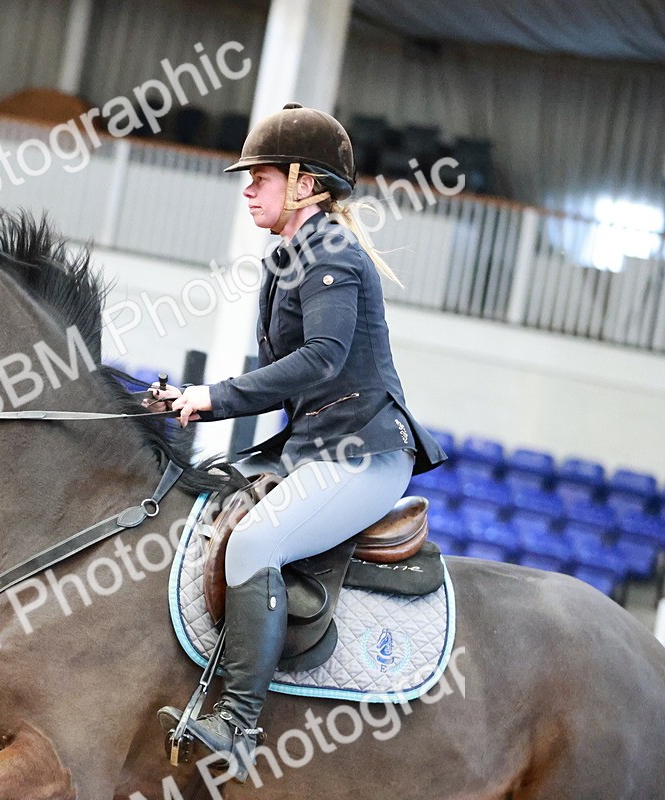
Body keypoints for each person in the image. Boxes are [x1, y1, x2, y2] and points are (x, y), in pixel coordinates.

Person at [149, 103, 448, 782]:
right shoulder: (289, 257)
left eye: (261, 177)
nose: (248, 189)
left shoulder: (331, 252)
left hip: (364, 452)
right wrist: (192, 401)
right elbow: (291, 377)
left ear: (305, 185)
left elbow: (320, 359)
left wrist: (213, 396)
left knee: (255, 545)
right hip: (316, 445)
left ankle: (238, 724)